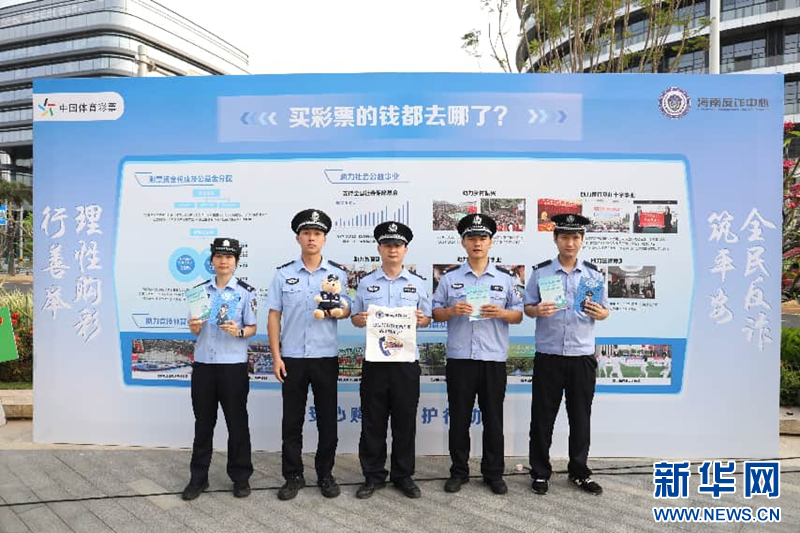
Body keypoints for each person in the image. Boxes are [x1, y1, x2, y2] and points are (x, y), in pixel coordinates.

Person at [432, 213, 523, 495]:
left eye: (483, 238)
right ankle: (458, 472)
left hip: (493, 359)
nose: (477, 243)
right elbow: (435, 312)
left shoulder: (506, 278)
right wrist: (451, 311)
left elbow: (519, 315)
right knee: (459, 419)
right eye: (471, 238)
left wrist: (502, 313)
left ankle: (493, 473)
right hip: (460, 359)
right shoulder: (450, 278)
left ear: (490, 242)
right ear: (463, 242)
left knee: (493, 420)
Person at [266, 209, 350, 501]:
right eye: (306, 233)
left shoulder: (337, 273)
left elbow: (347, 308)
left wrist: (340, 311)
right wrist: (276, 357)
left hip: (325, 357)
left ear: (324, 239)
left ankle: (325, 474)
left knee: (328, 421)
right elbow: (274, 316)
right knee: (292, 421)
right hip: (292, 358)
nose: (311, 238)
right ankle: (293, 476)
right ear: (298, 238)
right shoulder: (283, 274)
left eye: (317, 234)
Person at [524, 213, 610, 496]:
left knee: (580, 418)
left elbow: (605, 311)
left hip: (581, 357)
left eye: (575, 237)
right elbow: (528, 307)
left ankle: (579, 472)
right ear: (555, 239)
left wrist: (601, 313)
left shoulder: (594, 274)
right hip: (549, 355)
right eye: (564, 237)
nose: (570, 242)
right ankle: (540, 473)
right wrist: (537, 310)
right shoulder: (541, 273)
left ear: (582, 240)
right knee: (542, 418)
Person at [350, 221, 431, 499]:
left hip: (406, 363)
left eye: (397, 245)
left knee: (404, 421)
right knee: (373, 421)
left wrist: (422, 319)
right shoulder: (366, 283)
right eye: (387, 245)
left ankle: (403, 476)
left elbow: (427, 318)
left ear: (405, 249)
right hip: (375, 362)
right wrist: (360, 319)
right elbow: (355, 317)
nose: (392, 250)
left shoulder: (417, 283)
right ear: (379, 249)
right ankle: (372, 476)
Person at [183, 237, 258, 501]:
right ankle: (198, 478)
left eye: (229, 257)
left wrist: (239, 331)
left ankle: (241, 477)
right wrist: (194, 326)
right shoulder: (199, 292)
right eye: (219, 256)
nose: (223, 261)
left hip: (232, 367)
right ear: (212, 260)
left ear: (236, 261)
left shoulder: (245, 292)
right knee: (203, 424)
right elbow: (194, 329)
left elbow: (252, 327)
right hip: (204, 365)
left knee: (237, 423)